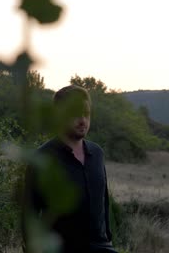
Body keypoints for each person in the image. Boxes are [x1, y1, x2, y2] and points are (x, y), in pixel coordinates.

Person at [22, 85, 117, 253]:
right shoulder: (43, 158)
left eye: (86, 114)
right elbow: (29, 215)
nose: (83, 120)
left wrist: (108, 238)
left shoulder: (97, 153)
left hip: (101, 247)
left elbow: (103, 201)